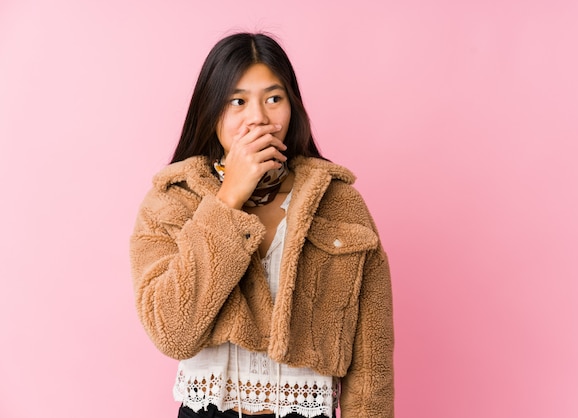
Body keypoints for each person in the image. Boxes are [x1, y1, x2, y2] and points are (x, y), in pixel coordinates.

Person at [129, 32, 394, 418]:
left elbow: (371, 365)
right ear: (211, 110)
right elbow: (173, 331)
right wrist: (228, 199)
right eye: (237, 101)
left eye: (273, 99)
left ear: (292, 109)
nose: (258, 117)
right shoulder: (171, 200)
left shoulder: (339, 203)